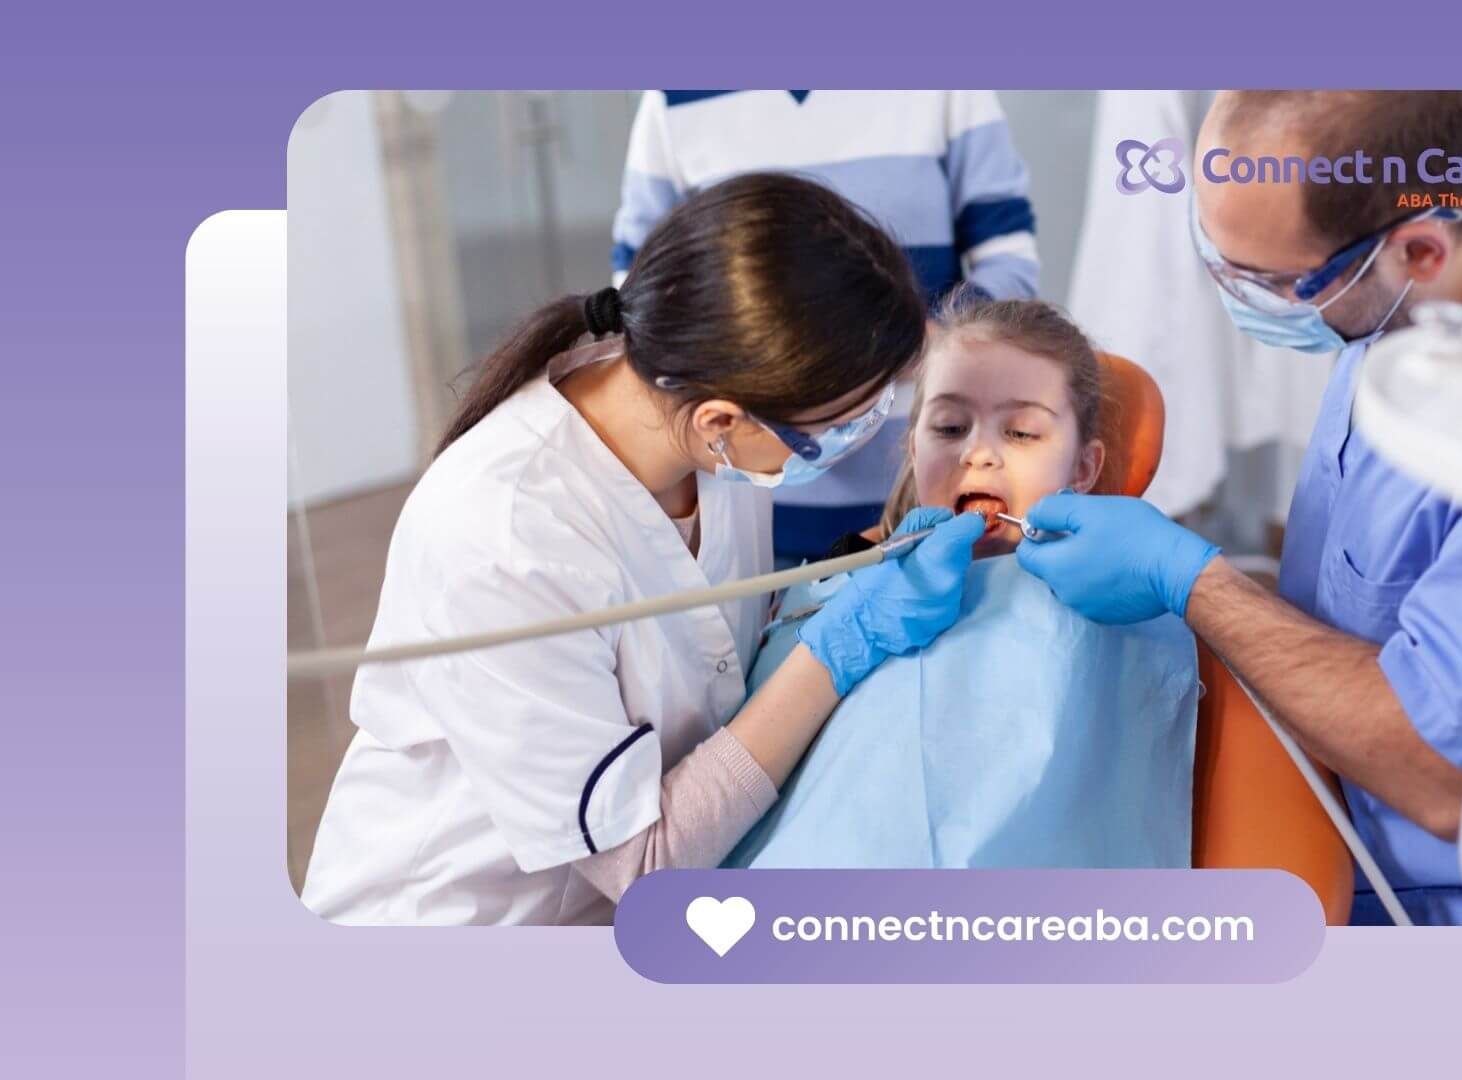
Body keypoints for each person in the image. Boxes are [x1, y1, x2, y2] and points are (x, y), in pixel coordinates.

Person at [1014, 91, 1462, 925]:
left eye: (1270, 283)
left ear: (1418, 250)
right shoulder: (1403, 318)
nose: (1240, 298)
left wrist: (1193, 582)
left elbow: (1443, 775)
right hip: (1309, 800)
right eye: (1217, 257)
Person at [301, 174, 986, 925]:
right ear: (721, 421)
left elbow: (708, 650)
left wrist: (840, 583)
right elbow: (646, 864)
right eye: (840, 427)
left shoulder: (709, 437)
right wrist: (834, 652)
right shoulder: (505, 533)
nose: (855, 440)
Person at [728, 299, 1198, 869]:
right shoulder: (834, 587)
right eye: (950, 428)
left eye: (1021, 432)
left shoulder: (1121, 613)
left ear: (1083, 468)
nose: (978, 454)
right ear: (913, 447)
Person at [611, 90, 1041, 564]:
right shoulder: (672, 99)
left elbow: (1009, 264)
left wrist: (908, 348)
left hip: (922, 481)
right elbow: (646, 297)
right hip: (754, 489)